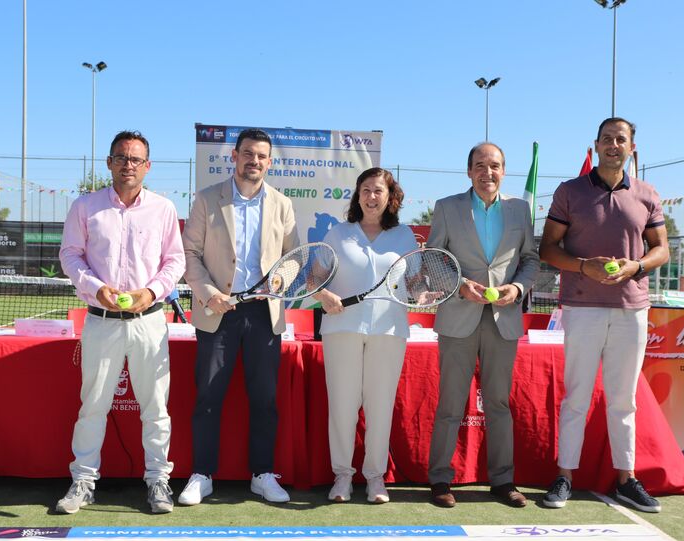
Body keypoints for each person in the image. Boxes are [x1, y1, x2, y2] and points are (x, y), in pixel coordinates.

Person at [540, 118, 669, 513]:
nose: (614, 145)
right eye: (607, 139)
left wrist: (636, 267)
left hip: (632, 309)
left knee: (623, 401)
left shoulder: (647, 194)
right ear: (595, 144)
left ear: (633, 147)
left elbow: (661, 250)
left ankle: (626, 480)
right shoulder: (569, 191)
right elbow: (547, 249)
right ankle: (564, 476)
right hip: (581, 307)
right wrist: (583, 266)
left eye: (621, 139)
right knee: (576, 397)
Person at [57, 130, 186, 514]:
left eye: (135, 159)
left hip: (149, 320)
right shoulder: (85, 206)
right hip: (101, 321)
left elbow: (174, 261)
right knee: (92, 405)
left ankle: (158, 480)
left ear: (147, 166)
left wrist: (152, 292)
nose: (128, 165)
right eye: (121, 157)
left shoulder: (162, 209)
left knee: (155, 407)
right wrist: (96, 288)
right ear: (109, 162)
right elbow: (70, 255)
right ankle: (82, 481)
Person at [179, 128, 299, 505]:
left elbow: (293, 257)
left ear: (269, 161)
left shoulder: (282, 203)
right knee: (208, 397)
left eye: (262, 156)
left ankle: (262, 474)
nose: (255, 161)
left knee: (264, 400)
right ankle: (202, 475)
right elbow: (190, 255)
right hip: (218, 313)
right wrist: (210, 294)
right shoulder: (207, 198)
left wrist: (280, 279)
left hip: (264, 315)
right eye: (248, 153)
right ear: (234, 156)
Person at [427, 142, 539, 508]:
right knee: (451, 404)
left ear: (504, 171)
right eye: (479, 165)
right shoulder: (447, 208)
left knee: (498, 404)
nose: (487, 172)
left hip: (503, 320)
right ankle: (441, 479)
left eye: (494, 166)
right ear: (469, 171)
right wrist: (460, 286)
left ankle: (503, 481)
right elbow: (433, 260)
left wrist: (518, 287)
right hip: (458, 317)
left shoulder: (520, 210)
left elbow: (530, 260)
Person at [312, 167, 417, 504]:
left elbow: (415, 283)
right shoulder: (337, 234)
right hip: (341, 328)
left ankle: (375, 479)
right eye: (366, 190)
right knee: (342, 405)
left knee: (380, 406)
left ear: (391, 198)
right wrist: (322, 296)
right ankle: (342, 477)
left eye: (379, 191)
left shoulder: (404, 236)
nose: (372, 197)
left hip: (389, 330)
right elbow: (315, 279)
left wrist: (421, 295)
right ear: (358, 195)